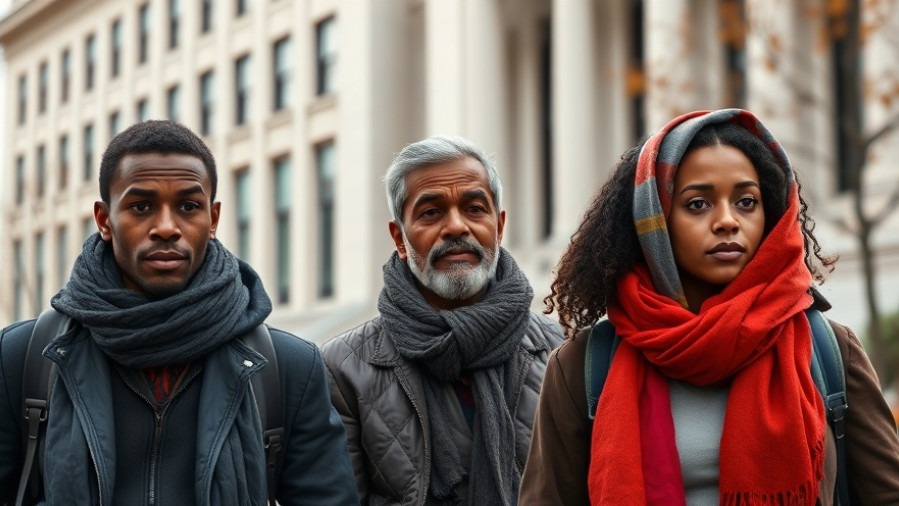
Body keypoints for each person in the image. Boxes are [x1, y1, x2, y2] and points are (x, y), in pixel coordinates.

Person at [519, 109, 899, 505]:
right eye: (698, 204)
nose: (727, 221)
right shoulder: (584, 366)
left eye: (746, 202)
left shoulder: (829, 349)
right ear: (656, 221)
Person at [0, 120, 358, 505]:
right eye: (141, 206)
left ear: (214, 219)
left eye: (188, 206)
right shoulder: (23, 358)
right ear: (105, 220)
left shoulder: (289, 367)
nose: (167, 227)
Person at [321, 135, 564, 505]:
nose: (456, 227)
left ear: (499, 227)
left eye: (474, 208)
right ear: (399, 239)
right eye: (431, 212)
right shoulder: (342, 369)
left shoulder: (562, 352)